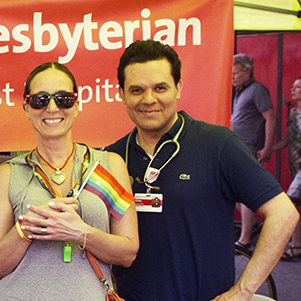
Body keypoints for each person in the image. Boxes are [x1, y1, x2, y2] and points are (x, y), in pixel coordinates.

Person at [105, 39, 299, 301]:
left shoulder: (217, 144)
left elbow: (284, 213)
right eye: (136, 90)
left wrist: (243, 291)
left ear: (178, 88)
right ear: (121, 94)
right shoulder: (111, 157)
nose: (148, 99)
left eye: (160, 88)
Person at [0, 62, 138, 299]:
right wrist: (25, 228)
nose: (52, 108)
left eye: (63, 99)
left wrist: (81, 232)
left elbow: (128, 252)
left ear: (77, 105)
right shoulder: (8, 173)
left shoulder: (108, 165)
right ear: (26, 107)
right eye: (40, 100)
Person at [232, 53, 277, 250]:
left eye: (235, 74)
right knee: (234, 193)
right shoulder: (239, 90)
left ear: (246, 72)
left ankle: (245, 240)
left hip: (249, 148)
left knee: (243, 193)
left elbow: (271, 118)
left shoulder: (257, 90)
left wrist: (267, 147)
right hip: (238, 146)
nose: (231, 77)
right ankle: (252, 226)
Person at [268, 77, 301, 260]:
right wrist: (270, 148)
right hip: (295, 165)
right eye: (293, 86)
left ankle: (291, 245)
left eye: (298, 87)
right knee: (295, 204)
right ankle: (296, 245)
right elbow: (289, 139)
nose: (293, 90)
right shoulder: (294, 113)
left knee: (289, 203)